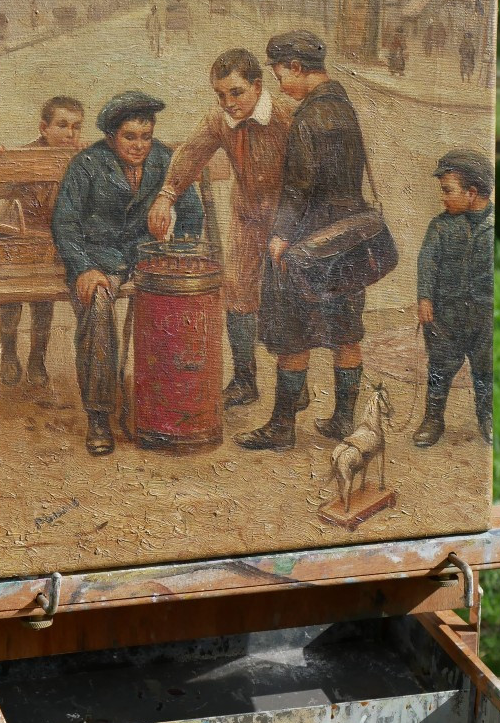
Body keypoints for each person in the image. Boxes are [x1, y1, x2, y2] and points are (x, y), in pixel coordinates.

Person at [238, 31, 374, 452]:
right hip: (348, 236)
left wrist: (280, 236)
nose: (281, 85)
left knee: (292, 332)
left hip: (310, 239)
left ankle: (281, 427)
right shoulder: (344, 108)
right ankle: (343, 420)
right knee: (345, 332)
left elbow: (298, 187)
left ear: (296, 68)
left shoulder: (308, 118)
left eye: (281, 76)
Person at [51, 92, 204, 457]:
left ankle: (163, 411)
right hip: (98, 260)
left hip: (147, 259)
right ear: (110, 136)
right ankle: (99, 416)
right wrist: (83, 268)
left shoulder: (166, 160)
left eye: (146, 137)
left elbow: (193, 213)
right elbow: (65, 223)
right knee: (99, 306)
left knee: (178, 310)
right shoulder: (86, 164)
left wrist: (178, 255)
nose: (140, 146)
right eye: (130, 137)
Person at [147, 48, 296, 409]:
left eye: (236, 93)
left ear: (257, 86)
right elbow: (191, 152)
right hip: (247, 217)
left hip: (289, 221)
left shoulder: (286, 116)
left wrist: (292, 228)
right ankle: (245, 381)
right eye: (221, 95)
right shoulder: (219, 120)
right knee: (237, 292)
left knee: (288, 299)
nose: (228, 103)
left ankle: (294, 390)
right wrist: (167, 194)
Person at [0, 96, 84, 389]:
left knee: (43, 303)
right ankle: (9, 353)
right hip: (14, 243)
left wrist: (87, 155)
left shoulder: (77, 160)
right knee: (9, 299)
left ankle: (37, 358)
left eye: (76, 127)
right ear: (44, 128)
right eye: (62, 125)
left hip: (49, 247)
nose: (69, 133)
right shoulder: (25, 155)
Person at [414, 149, 495, 448]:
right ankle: (433, 417)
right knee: (440, 366)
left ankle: (488, 416)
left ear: (472, 192)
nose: (443, 198)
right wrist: (424, 298)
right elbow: (427, 262)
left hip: (486, 317)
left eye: (448, 191)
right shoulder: (441, 226)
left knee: (486, 367)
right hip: (445, 315)